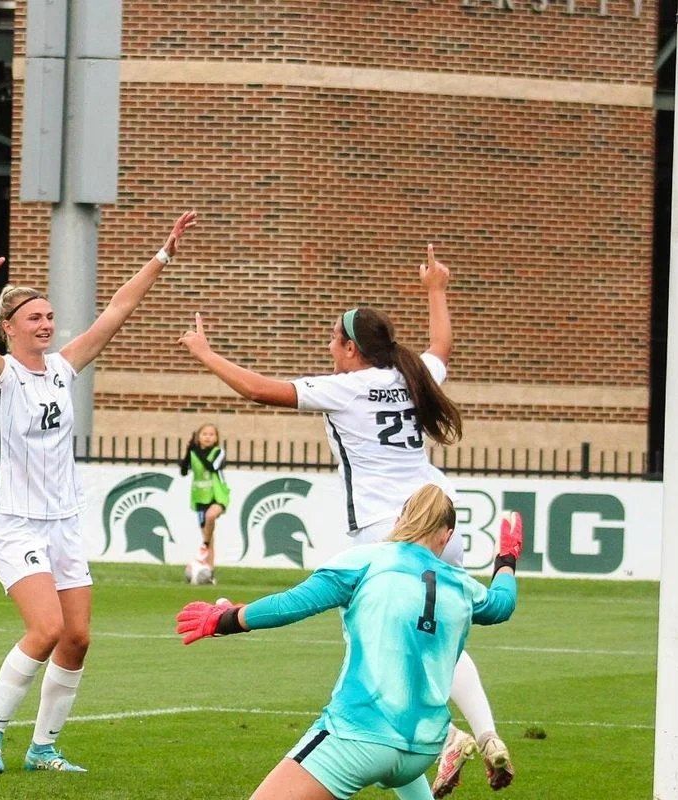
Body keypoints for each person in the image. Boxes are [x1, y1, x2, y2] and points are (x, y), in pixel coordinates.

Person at [177, 246, 513, 795]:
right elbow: (442, 347)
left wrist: (204, 353)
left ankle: (447, 731)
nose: (328, 349)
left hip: (387, 531)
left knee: (373, 656)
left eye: (333, 340)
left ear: (351, 349)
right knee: (430, 636)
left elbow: (259, 389)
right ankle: (467, 730)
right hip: (441, 518)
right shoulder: (413, 375)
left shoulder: (347, 387)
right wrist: (436, 289)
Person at [0, 211, 198, 774]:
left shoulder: (63, 369)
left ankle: (43, 748)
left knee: (79, 638)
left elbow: (117, 309)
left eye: (49, 316)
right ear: (9, 327)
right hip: (13, 521)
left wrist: (162, 256)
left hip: (63, 521)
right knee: (46, 629)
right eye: (34, 318)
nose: (46, 324)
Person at [175, 485, 523, 800]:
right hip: (422, 750)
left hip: (359, 736)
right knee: (394, 744)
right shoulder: (463, 586)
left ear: (402, 519)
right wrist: (506, 560)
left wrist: (224, 619)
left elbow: (291, 604)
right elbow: (501, 605)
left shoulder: (366, 560)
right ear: (446, 536)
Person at [177, 423, 230, 571]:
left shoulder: (218, 452)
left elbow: (211, 466)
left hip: (218, 494)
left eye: (211, 434)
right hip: (200, 497)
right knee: (209, 535)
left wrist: (197, 450)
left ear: (216, 438)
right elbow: (183, 470)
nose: (207, 437)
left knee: (211, 516)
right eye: (204, 434)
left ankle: (204, 545)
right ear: (198, 437)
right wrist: (189, 451)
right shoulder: (194, 453)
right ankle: (209, 570)